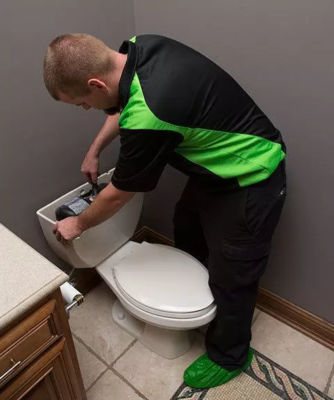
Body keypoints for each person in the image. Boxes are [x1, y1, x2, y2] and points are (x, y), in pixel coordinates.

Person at [43, 33, 287, 388]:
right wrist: (95, 149)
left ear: (95, 83)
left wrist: (77, 224)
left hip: (252, 175)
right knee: (186, 226)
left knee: (235, 270)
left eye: (81, 102)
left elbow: (119, 194)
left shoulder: (149, 115)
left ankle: (231, 354)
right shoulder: (139, 47)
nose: (85, 109)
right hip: (213, 172)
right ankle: (202, 300)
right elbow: (127, 106)